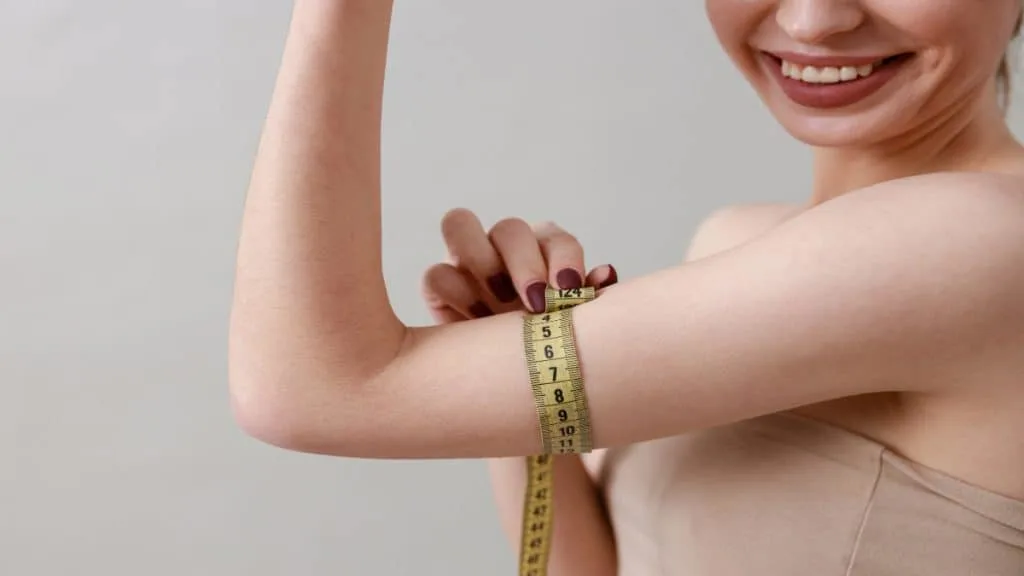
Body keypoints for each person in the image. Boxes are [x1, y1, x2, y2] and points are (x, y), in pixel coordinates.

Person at [227, 1, 1024, 573]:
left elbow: (308, 391)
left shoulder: (985, 242)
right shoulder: (736, 238)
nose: (815, 20)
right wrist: (506, 364)